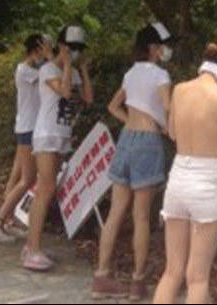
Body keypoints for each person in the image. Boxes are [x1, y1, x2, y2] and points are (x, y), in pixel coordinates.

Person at [153, 40, 217, 305]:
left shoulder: (180, 90)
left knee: (172, 271)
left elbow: (172, 133)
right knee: (198, 278)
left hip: (179, 176)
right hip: (209, 181)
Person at [92, 22, 174, 301]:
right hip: (148, 142)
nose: (165, 50)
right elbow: (168, 109)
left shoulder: (130, 73)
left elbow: (113, 106)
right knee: (141, 217)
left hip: (126, 139)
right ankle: (137, 282)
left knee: (116, 212)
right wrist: (168, 130)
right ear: (153, 48)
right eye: (162, 46)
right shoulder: (161, 75)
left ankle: (101, 276)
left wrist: (131, 120)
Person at [22, 25, 93, 271]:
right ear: (62, 46)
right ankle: (32, 250)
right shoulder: (48, 69)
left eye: (79, 48)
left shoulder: (70, 71)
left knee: (48, 190)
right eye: (71, 47)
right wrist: (66, 64)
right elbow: (64, 92)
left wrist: (82, 70)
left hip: (62, 136)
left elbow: (88, 98)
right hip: (46, 135)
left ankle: (32, 244)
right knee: (46, 188)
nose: (75, 52)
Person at [0, 34, 50, 243]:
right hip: (28, 129)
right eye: (45, 49)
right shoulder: (25, 70)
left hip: (27, 128)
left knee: (16, 177)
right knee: (27, 179)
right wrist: (52, 60)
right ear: (36, 50)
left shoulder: (33, 69)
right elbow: (49, 75)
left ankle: (7, 222)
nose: (48, 53)